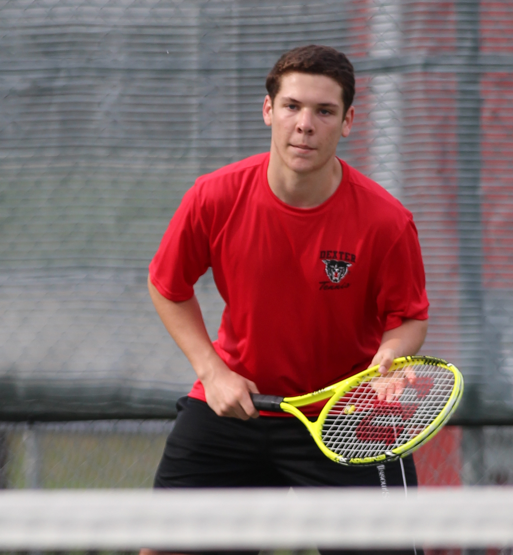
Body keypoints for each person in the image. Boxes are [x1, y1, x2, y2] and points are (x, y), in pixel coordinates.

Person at [143, 44, 429, 555]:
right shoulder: (214, 196)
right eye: (293, 106)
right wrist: (213, 372)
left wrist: (389, 359)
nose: (305, 124)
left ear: (347, 122)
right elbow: (168, 287)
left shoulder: (386, 221)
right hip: (235, 412)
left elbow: (406, 319)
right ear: (268, 110)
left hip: (347, 422)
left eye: (324, 111)